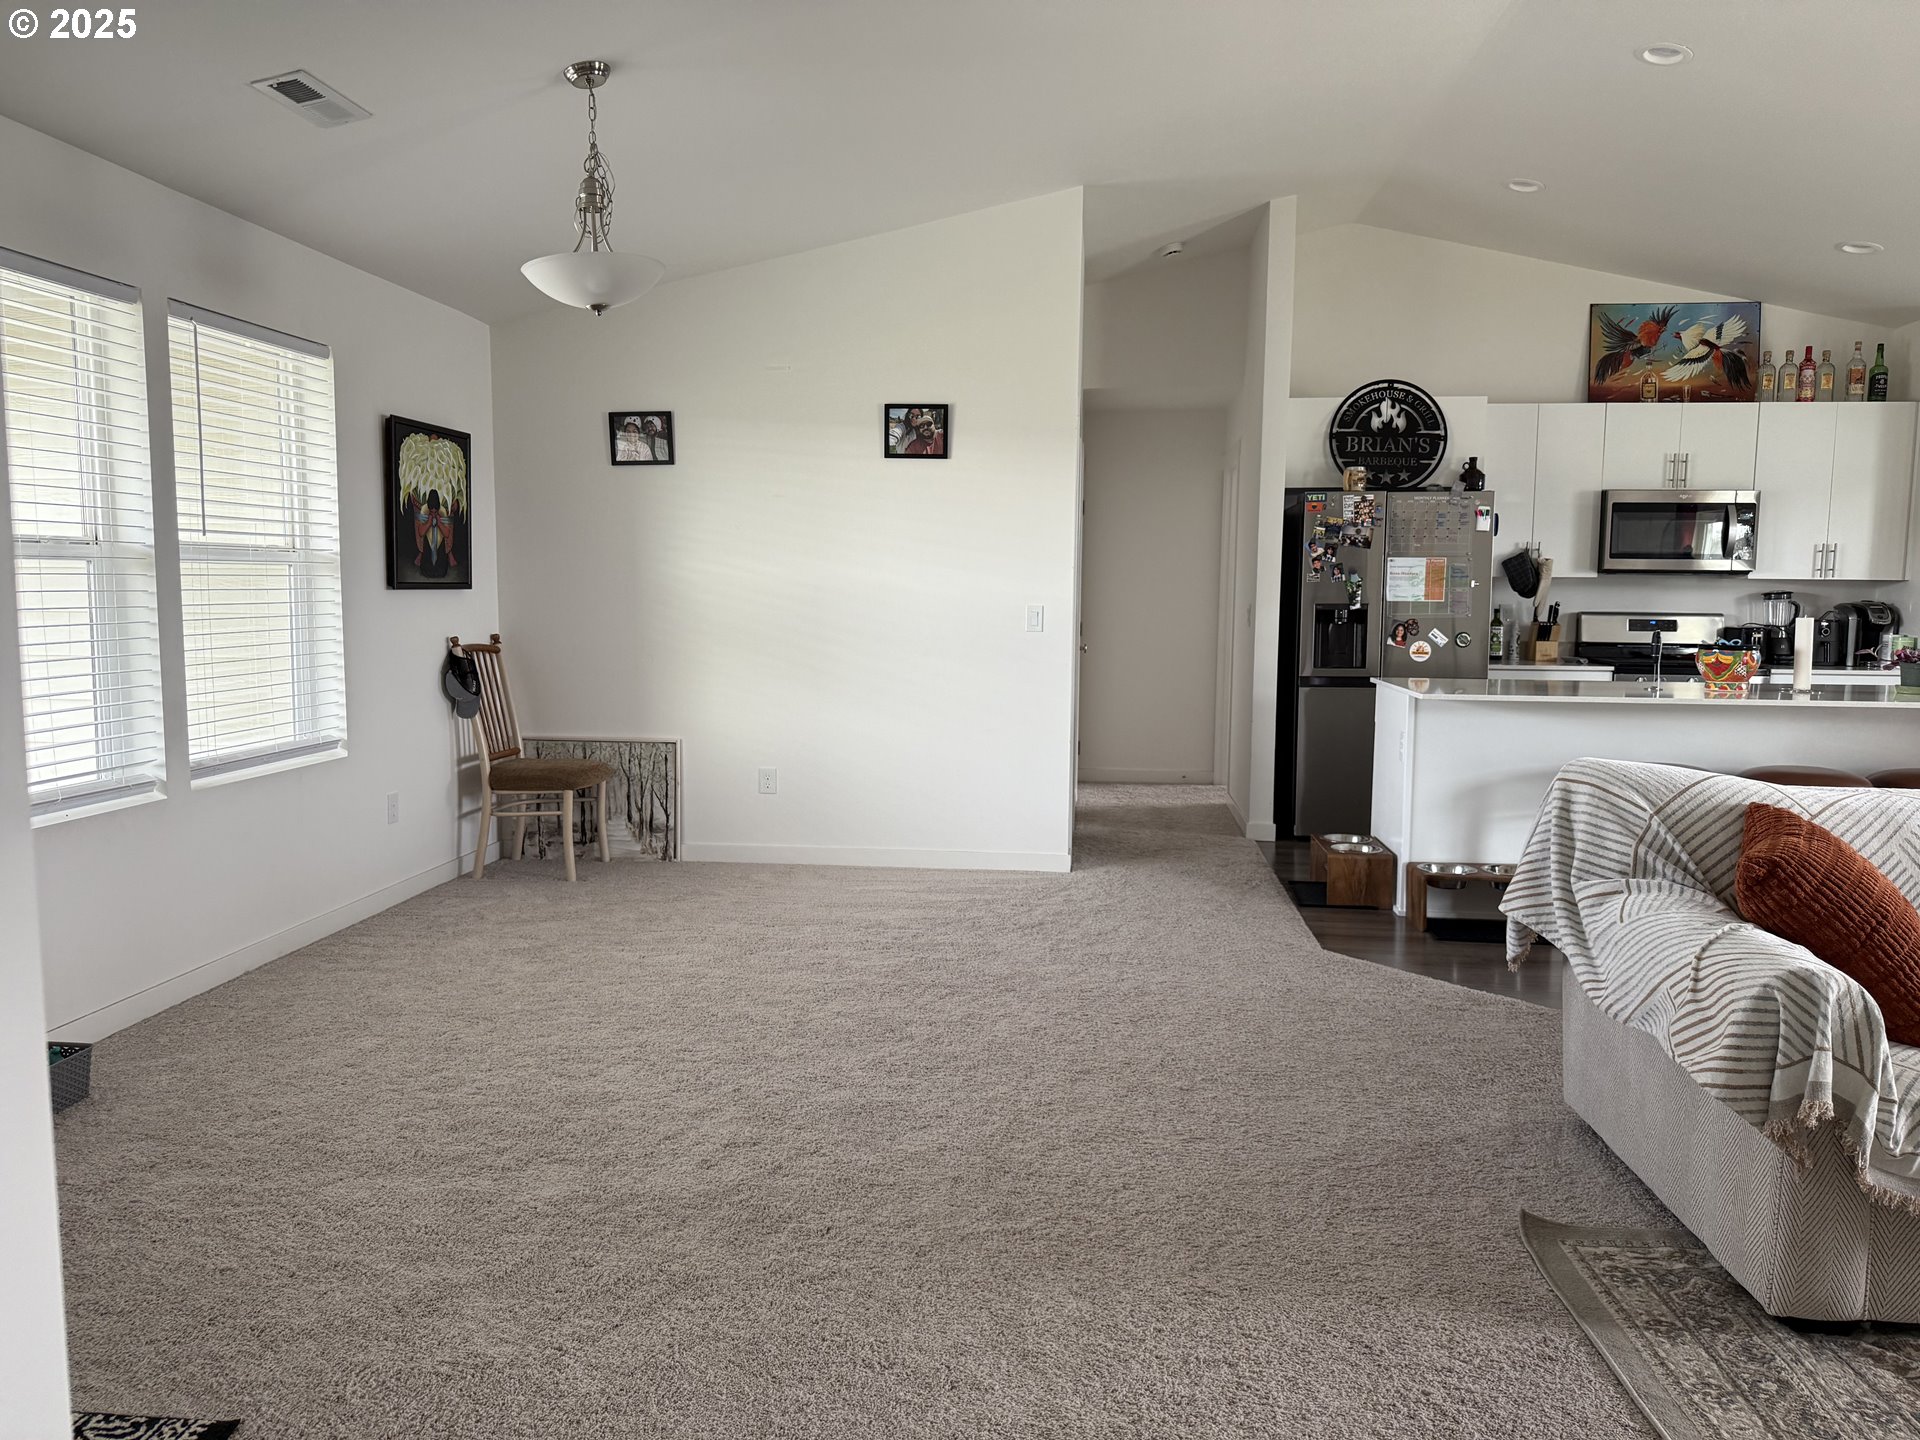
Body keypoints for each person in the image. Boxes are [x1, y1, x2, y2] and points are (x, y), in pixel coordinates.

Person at [414, 488, 457, 577]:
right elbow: (421, 532)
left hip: (440, 543)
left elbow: (447, 534)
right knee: (426, 571)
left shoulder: (442, 511)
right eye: (431, 511)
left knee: (441, 572)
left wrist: (439, 523)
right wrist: (429, 523)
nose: (433, 513)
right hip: (428, 542)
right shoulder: (424, 509)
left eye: (435, 511)